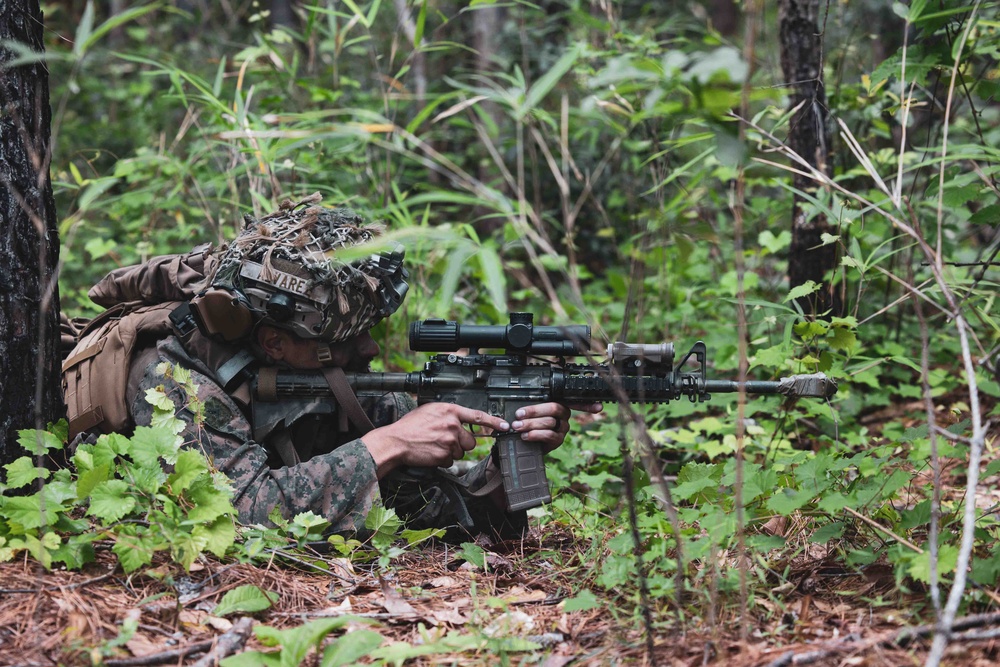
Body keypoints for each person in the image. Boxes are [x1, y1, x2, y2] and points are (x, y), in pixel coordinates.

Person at [112, 196, 600, 539]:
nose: (368, 348)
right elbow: (235, 518)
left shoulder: (332, 384)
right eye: (346, 339)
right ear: (275, 343)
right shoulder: (174, 380)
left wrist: (508, 452)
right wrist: (387, 445)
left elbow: (463, 519)